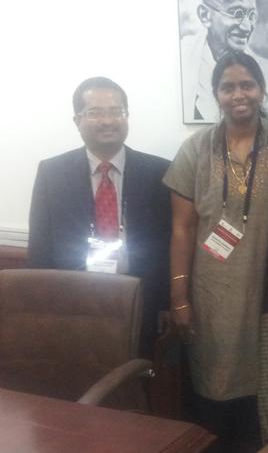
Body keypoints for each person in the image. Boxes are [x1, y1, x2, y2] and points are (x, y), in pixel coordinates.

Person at [164, 51, 268, 452]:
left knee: (266, 398)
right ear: (215, 95)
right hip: (211, 299)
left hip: (267, 298)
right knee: (213, 390)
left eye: (247, 85)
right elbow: (182, 227)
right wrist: (179, 297)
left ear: (261, 90)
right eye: (228, 87)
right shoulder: (196, 149)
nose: (238, 94)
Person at [27, 76, 171, 359]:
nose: (108, 121)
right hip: (73, 301)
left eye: (116, 111)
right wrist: (43, 305)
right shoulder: (51, 173)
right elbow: (40, 246)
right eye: (95, 112)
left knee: (135, 384)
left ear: (127, 116)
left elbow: (168, 242)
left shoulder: (158, 172)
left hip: (139, 299)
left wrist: (167, 301)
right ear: (77, 119)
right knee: (78, 380)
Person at [181, 0, 268, 123]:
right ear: (205, 15)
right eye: (237, 13)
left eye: (251, 15)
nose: (246, 27)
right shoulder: (184, 58)